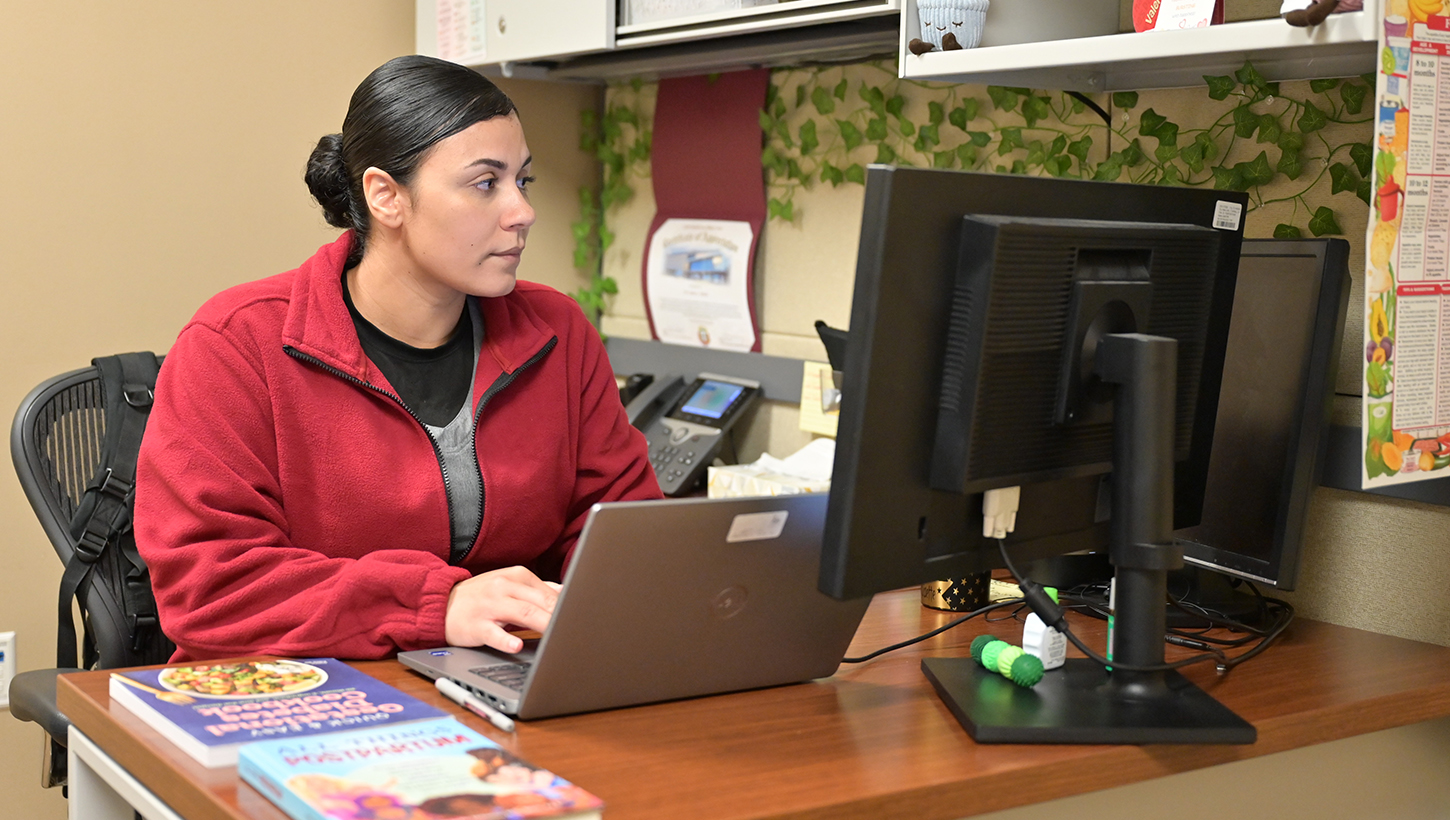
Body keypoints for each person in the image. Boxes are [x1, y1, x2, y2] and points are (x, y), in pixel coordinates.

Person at [134, 55, 661, 663]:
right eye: (486, 183)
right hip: (291, 694)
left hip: (499, 680)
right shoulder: (235, 343)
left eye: (523, 181)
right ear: (386, 196)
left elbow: (621, 540)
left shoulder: (558, 332)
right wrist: (436, 607)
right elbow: (209, 588)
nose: (522, 212)